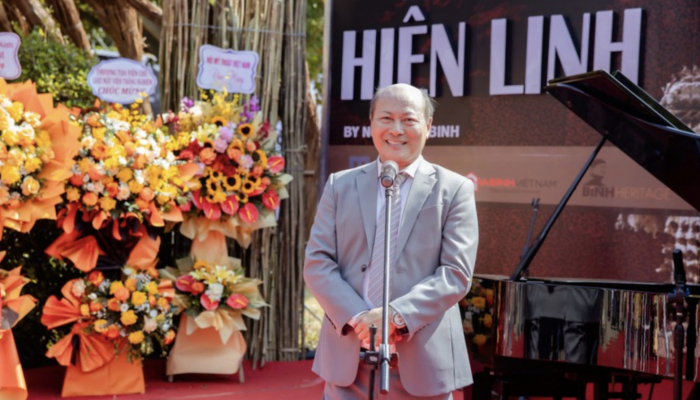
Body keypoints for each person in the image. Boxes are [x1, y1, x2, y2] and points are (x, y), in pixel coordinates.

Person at [304, 83, 479, 399]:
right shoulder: (339, 186)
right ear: (371, 124)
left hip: (423, 365)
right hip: (348, 361)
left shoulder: (454, 190)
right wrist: (361, 320)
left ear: (427, 126)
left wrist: (394, 316)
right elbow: (318, 263)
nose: (396, 130)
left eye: (409, 120)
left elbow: (455, 273)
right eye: (386, 118)